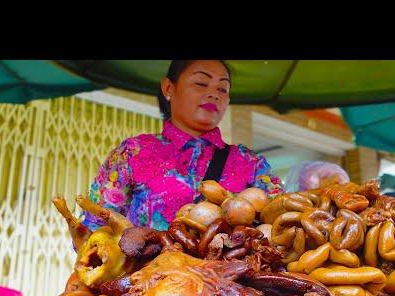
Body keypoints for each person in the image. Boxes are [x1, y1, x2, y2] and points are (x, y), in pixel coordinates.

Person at [81, 60, 283, 231]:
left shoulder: (250, 163)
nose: (214, 94)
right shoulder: (133, 153)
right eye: (201, 83)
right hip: (148, 277)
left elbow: (280, 221)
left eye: (222, 88)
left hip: (225, 278)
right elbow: (94, 229)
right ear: (169, 88)